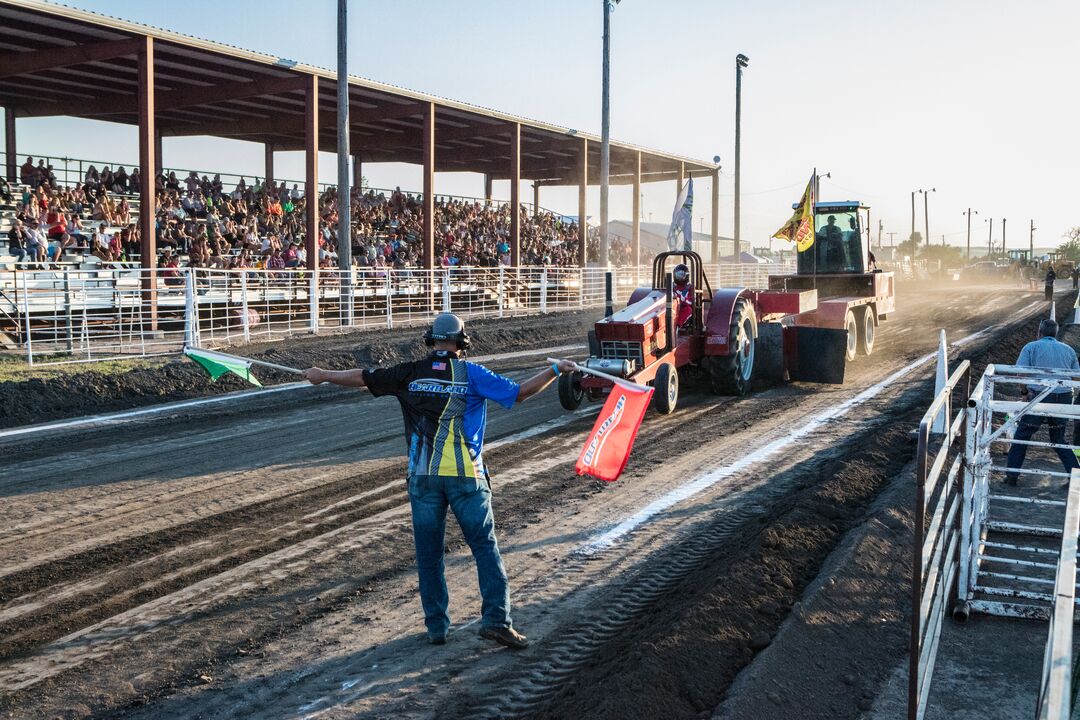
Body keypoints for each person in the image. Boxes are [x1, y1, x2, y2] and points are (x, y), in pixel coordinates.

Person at [303, 313, 576, 649]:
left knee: (429, 555)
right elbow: (520, 393)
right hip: (466, 477)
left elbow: (362, 376)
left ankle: (436, 627)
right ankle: (496, 620)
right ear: (462, 343)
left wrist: (322, 375)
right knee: (485, 549)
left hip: (423, 478)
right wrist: (555, 369)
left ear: (430, 339)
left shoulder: (409, 372)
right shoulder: (472, 373)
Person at [1004, 318, 1080, 486]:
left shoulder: (1030, 347)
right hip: (1064, 397)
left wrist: (1024, 391)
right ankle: (1075, 476)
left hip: (1039, 396)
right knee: (1058, 438)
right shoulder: (1068, 350)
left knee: (1023, 435)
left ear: (1039, 333)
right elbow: (1076, 377)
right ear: (1056, 334)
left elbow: (1020, 374)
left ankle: (1012, 476)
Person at [672, 263, 695, 328]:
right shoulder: (672, 286)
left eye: (682, 275)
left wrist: (683, 299)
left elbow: (691, 302)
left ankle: (677, 326)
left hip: (683, 307)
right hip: (672, 307)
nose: (680, 277)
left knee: (688, 310)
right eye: (678, 275)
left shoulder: (690, 287)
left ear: (686, 275)